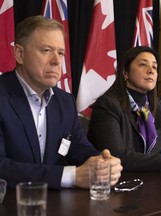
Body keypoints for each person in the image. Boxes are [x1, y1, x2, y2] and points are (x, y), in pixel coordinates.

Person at [0, 15, 122, 189]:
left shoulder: (64, 101)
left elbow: (79, 148)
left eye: (61, 53)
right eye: (46, 50)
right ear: (20, 54)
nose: (57, 61)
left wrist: (101, 164)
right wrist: (72, 176)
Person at [87, 46, 161, 171]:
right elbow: (116, 156)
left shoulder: (155, 105)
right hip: (116, 182)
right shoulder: (108, 105)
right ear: (125, 72)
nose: (151, 71)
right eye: (143, 65)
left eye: (154, 67)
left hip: (150, 181)